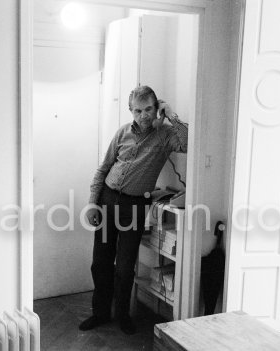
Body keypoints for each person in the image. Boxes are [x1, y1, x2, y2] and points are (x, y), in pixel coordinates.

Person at [79, 85, 188, 335]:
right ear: (131, 110)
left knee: (125, 267)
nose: (144, 115)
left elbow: (189, 142)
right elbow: (103, 169)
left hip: (134, 207)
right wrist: (92, 203)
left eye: (149, 109)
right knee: (101, 262)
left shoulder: (166, 135)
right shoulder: (122, 133)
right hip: (107, 201)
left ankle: (122, 316)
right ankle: (100, 313)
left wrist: (171, 115)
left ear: (156, 106)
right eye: (138, 110)